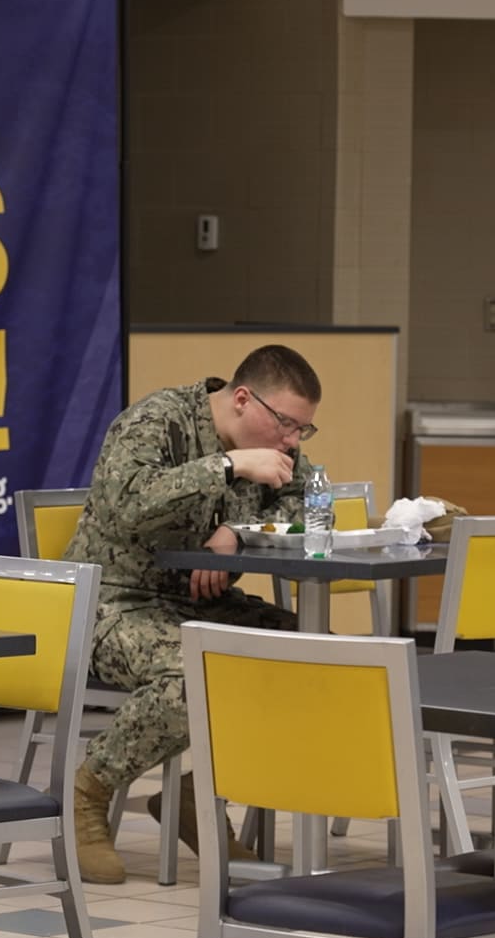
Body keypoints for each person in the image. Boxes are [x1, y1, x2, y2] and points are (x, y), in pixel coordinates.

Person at [61, 345, 319, 883]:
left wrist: (238, 533)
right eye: (287, 425)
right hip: (113, 602)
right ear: (243, 400)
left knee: (321, 657)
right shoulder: (157, 422)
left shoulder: (272, 447)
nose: (293, 441)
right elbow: (128, 505)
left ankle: (197, 793)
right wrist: (226, 466)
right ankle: (86, 790)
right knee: (193, 672)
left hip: (199, 604)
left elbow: (308, 504)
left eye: (303, 430)